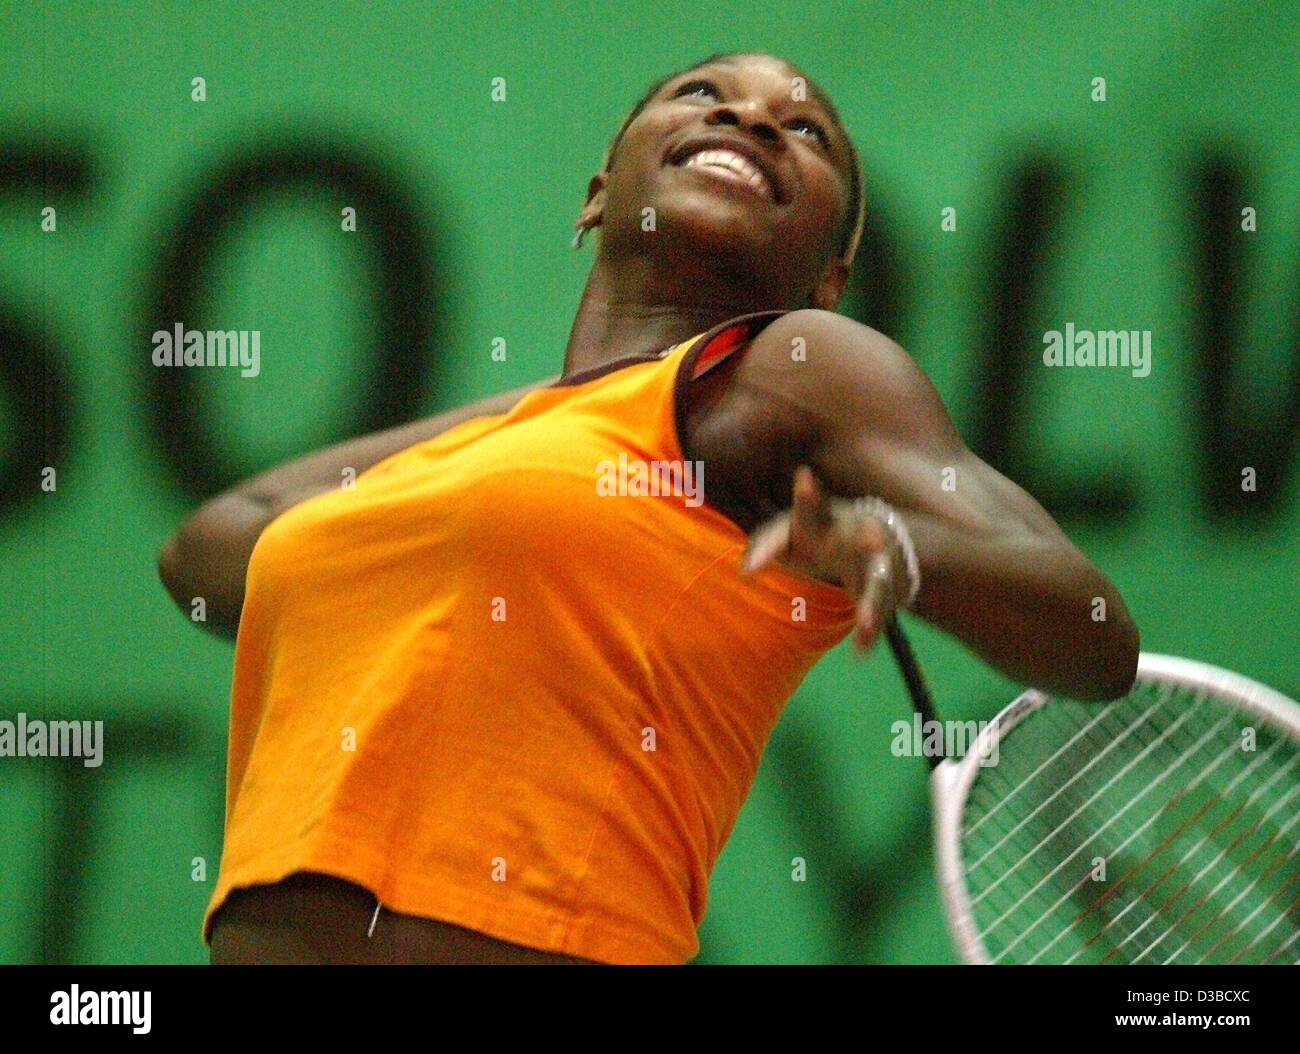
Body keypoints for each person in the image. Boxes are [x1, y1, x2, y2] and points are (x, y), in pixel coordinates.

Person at [158, 50, 1139, 965]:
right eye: (704, 97)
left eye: (805, 133)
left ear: (830, 280)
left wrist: (899, 543)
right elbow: (211, 547)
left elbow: (1092, 630)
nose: (751, 116)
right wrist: (570, 404)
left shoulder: (797, 374)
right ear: (596, 195)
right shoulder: (559, 435)